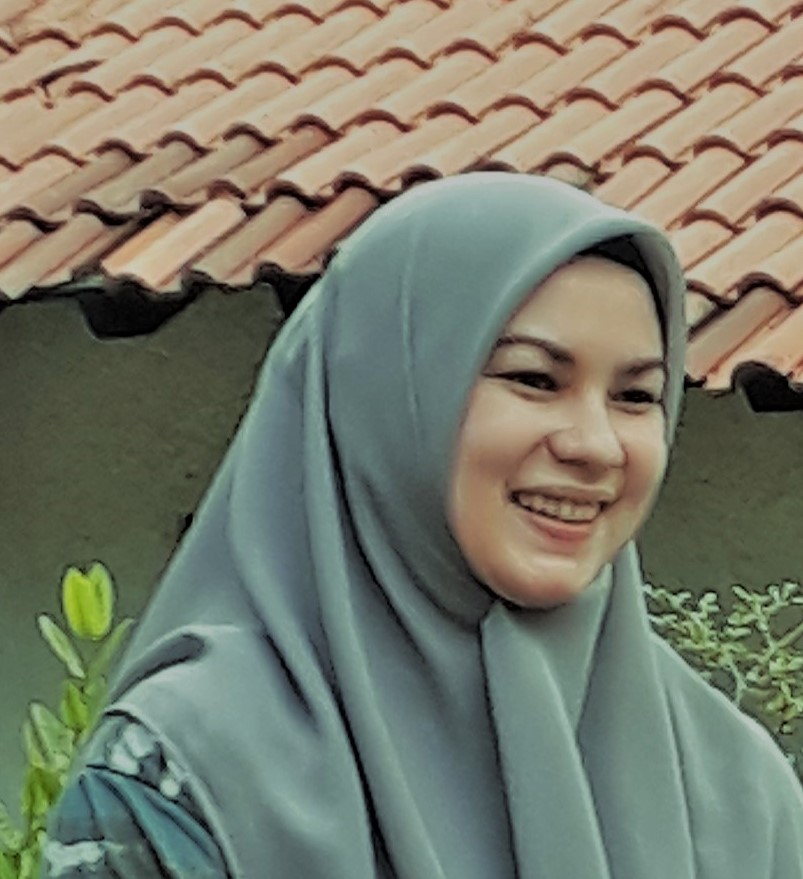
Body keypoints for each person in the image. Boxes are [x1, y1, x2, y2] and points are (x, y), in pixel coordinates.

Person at [43, 173, 803, 878]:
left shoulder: (737, 794)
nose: (595, 446)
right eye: (533, 379)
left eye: (635, 396)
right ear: (386, 399)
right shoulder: (185, 776)